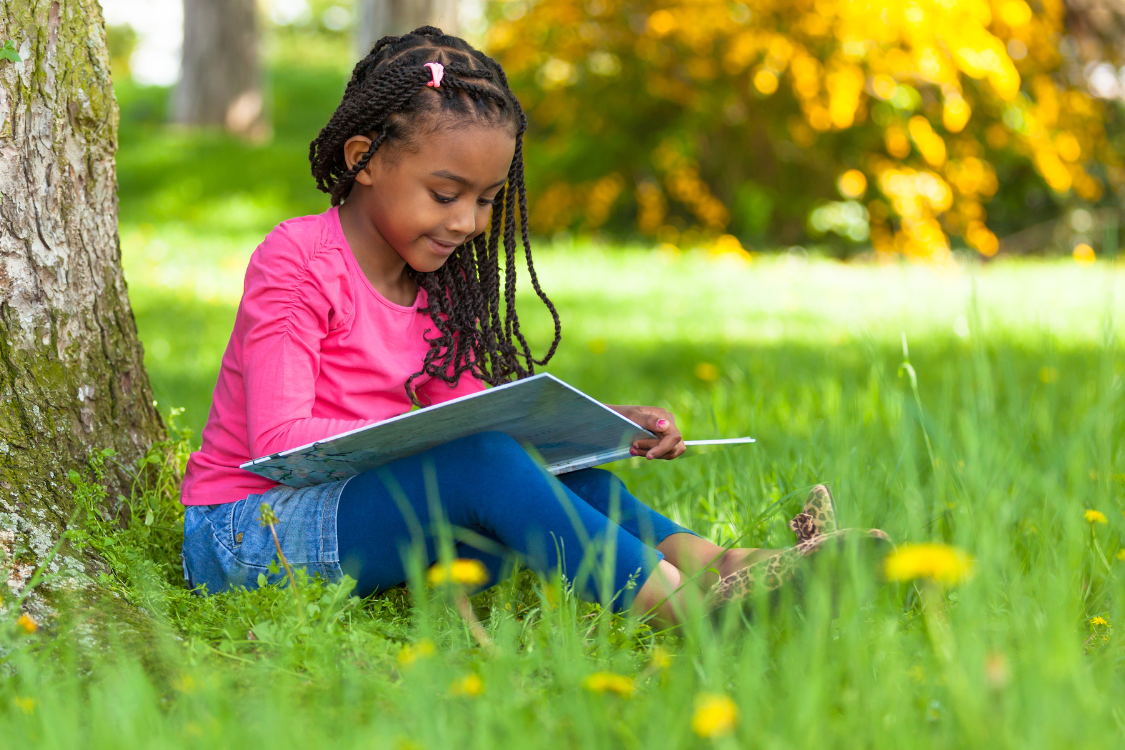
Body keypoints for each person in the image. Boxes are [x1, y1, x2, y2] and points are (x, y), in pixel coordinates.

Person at [180, 27, 886, 627]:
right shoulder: (298, 260)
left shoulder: (438, 283)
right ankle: (691, 612)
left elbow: (475, 417)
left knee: (544, 471)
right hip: (249, 531)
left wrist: (602, 425)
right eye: (445, 195)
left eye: (486, 200)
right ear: (360, 158)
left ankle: (728, 564)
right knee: (484, 461)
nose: (467, 223)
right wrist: (458, 446)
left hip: (369, 515)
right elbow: (276, 442)